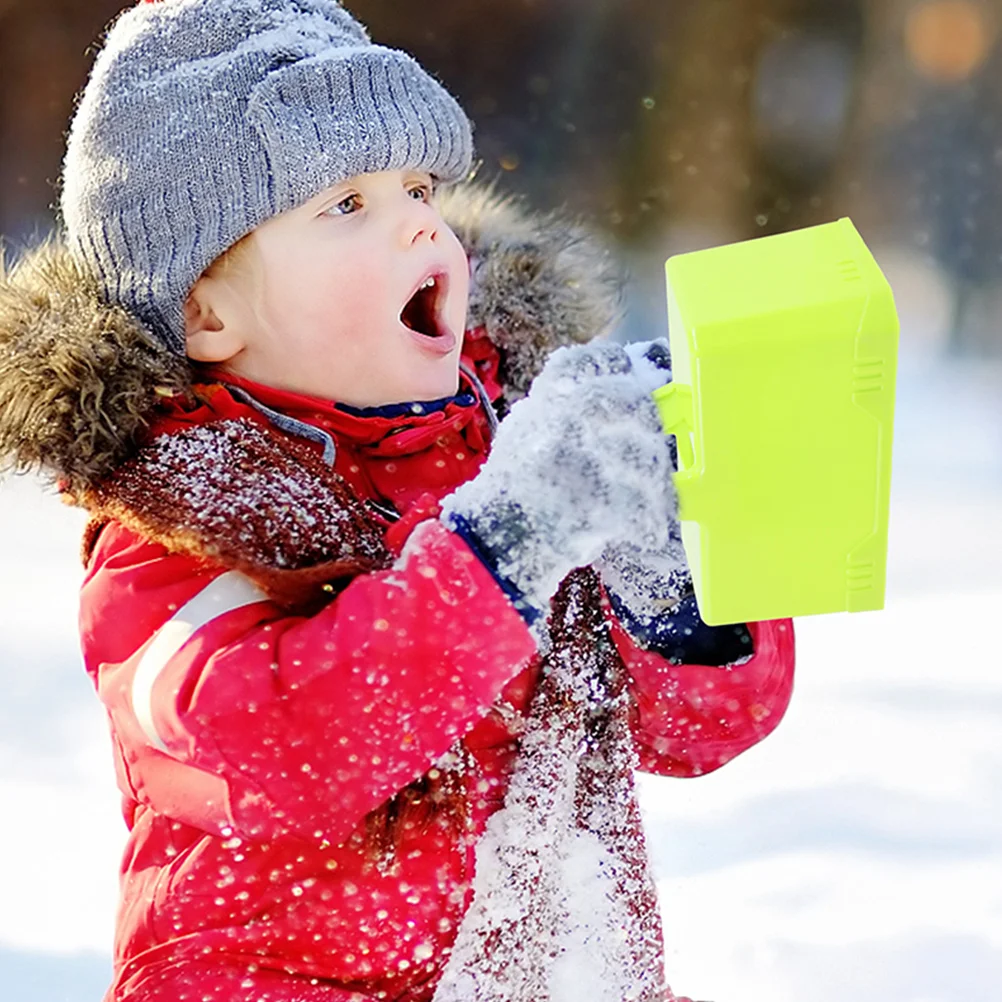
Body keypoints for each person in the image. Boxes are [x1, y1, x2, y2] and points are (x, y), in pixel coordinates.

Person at [0, 2, 795, 1000]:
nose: (423, 220)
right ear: (205, 308)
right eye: (346, 204)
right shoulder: (171, 530)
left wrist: (664, 565)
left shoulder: (516, 446)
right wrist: (509, 544)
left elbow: (701, 730)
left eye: (418, 186)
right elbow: (294, 744)